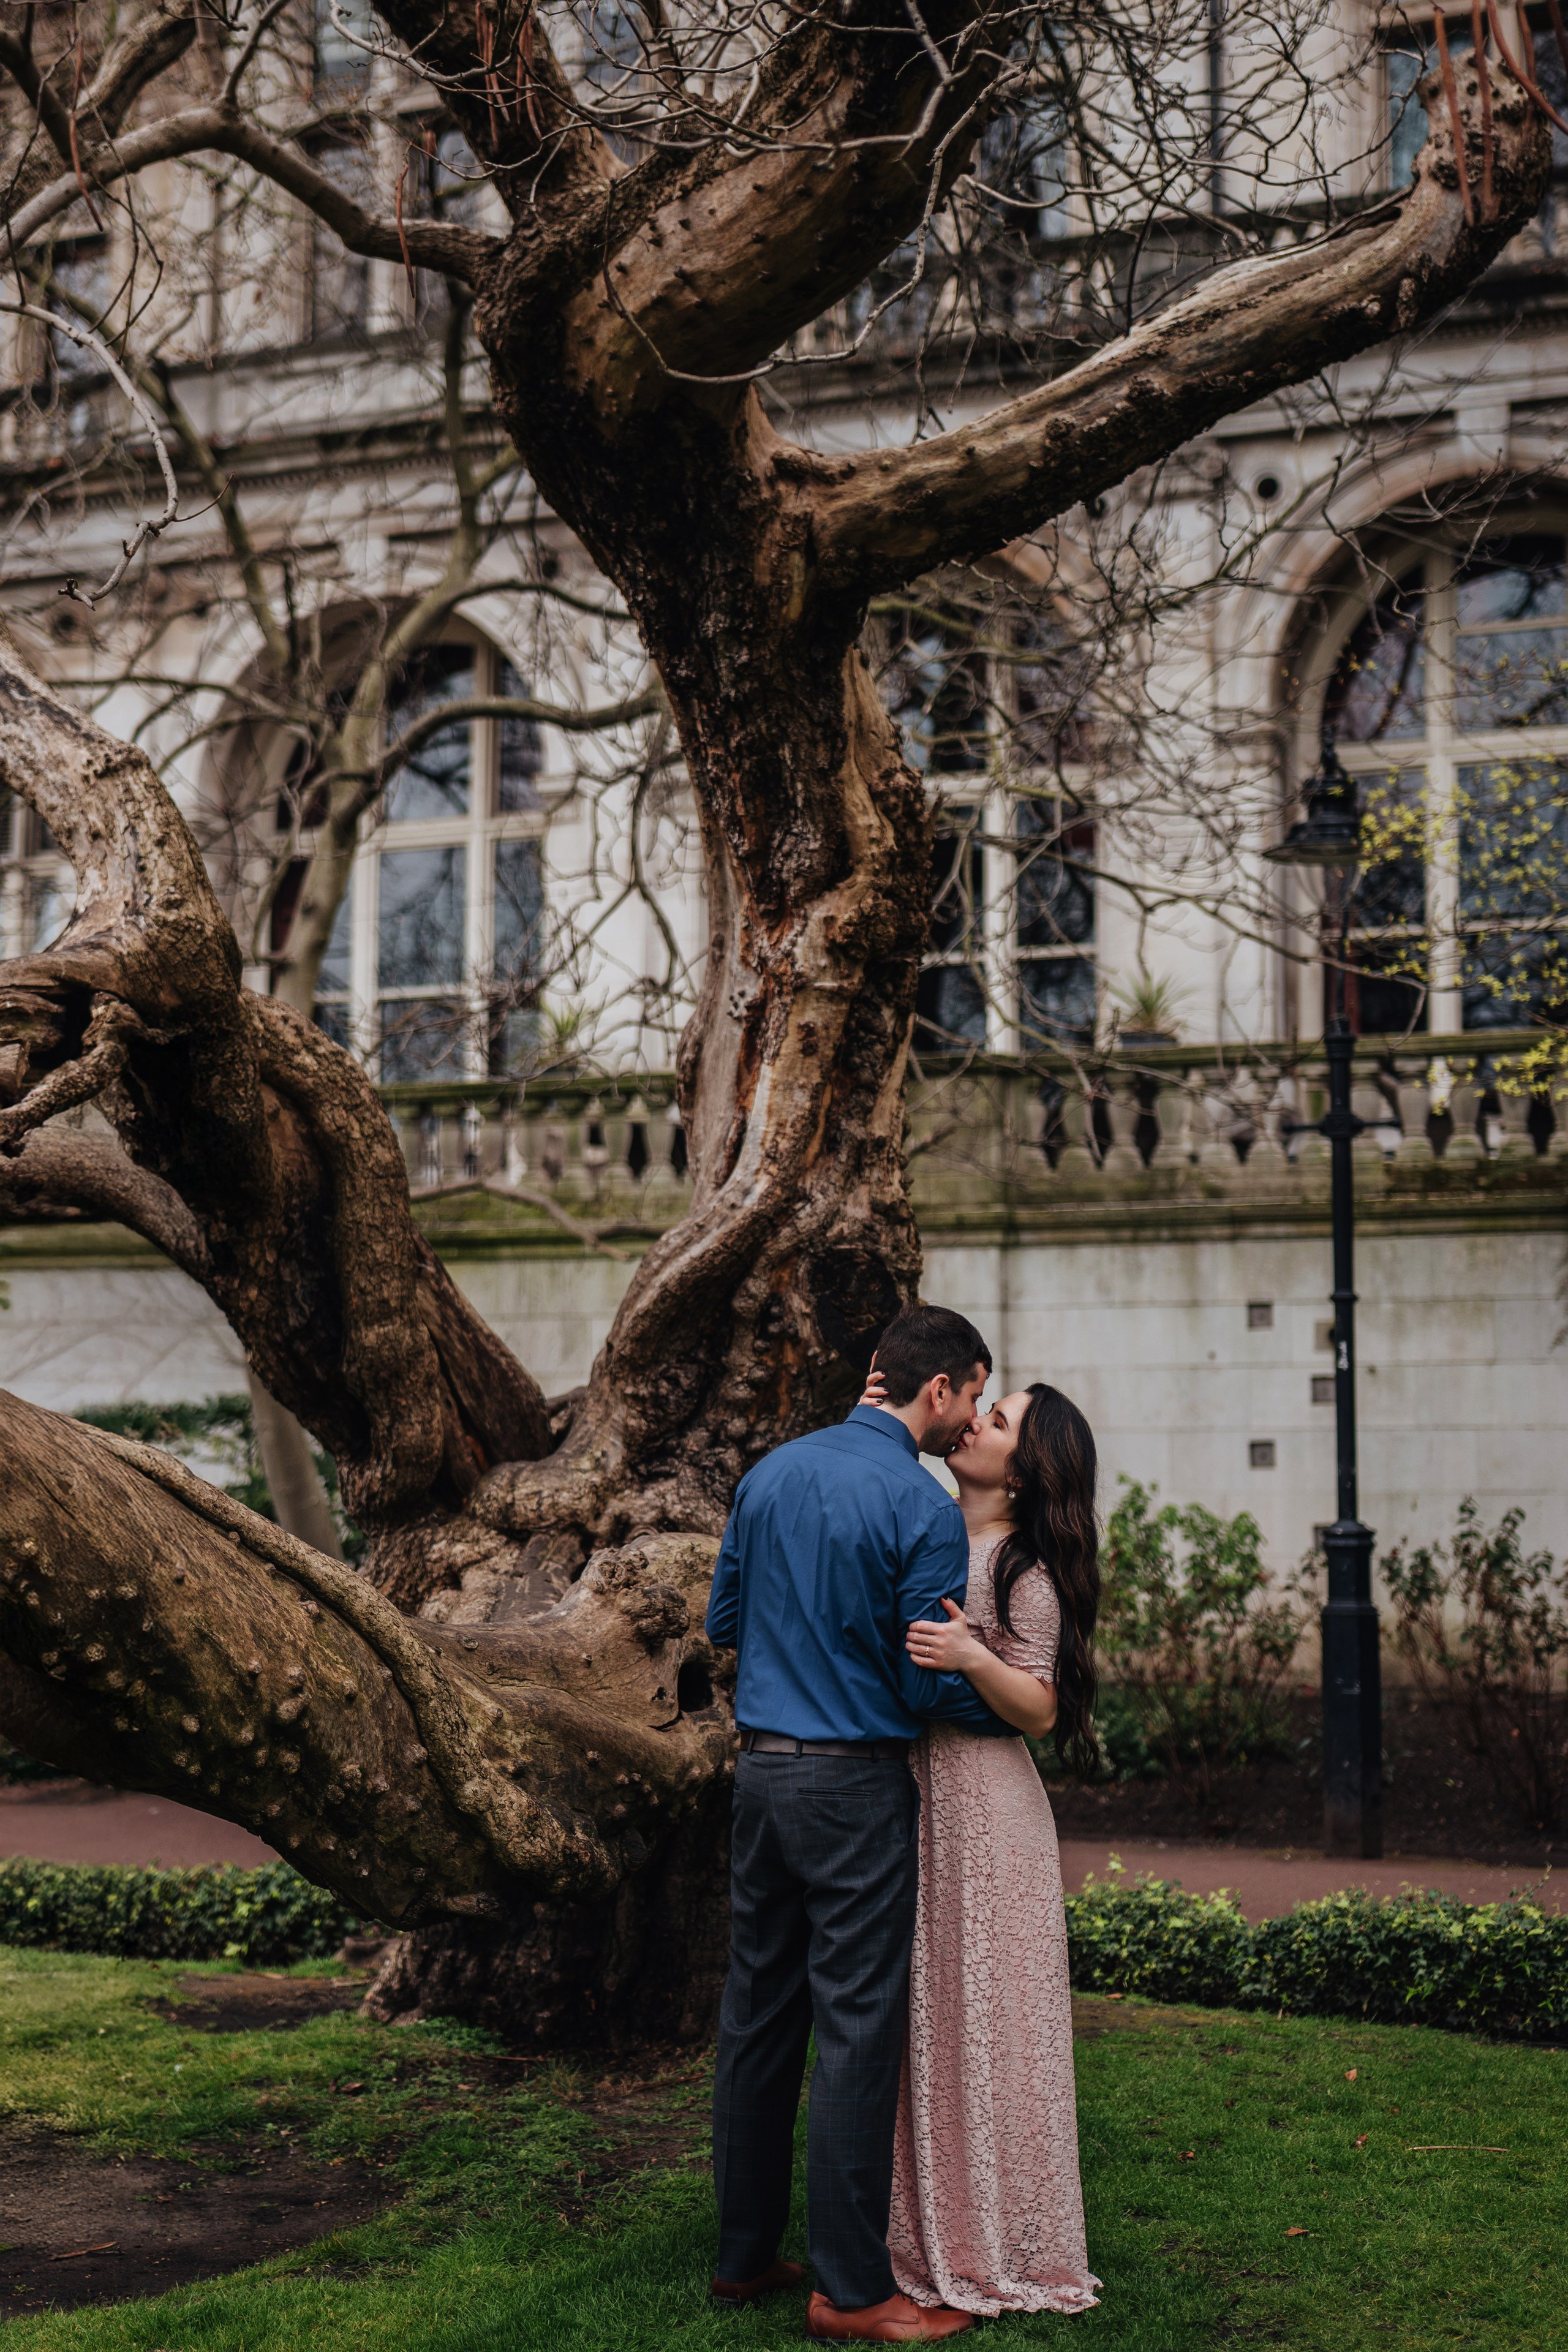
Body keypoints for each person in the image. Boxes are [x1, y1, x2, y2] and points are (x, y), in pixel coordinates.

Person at [704, 1303, 1012, 2347]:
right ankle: (850, 2290)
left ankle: (743, 2259)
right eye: (972, 1395)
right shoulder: (918, 1504)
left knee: (757, 2014)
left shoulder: (769, 1474)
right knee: (856, 2029)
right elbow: (926, 1675)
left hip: (760, 1779)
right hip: (854, 1789)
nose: (969, 1417)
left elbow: (724, 1626)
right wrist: (1014, 1701)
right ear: (939, 1389)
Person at [876, 1373, 1103, 2318]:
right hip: (918, 1799)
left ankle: (1008, 2244)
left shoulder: (1025, 1566)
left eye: (998, 1419)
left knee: (992, 2026)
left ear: (1021, 1472)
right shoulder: (925, 1524)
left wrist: (975, 1656)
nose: (975, 1420)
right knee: (928, 2022)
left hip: (991, 1810)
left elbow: (1044, 1709)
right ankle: (924, 2235)